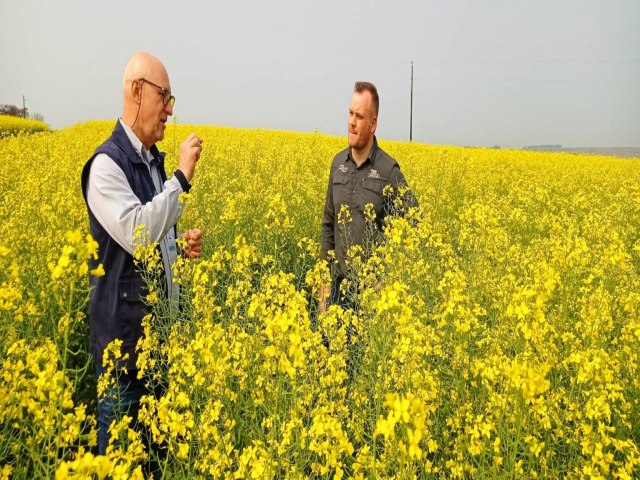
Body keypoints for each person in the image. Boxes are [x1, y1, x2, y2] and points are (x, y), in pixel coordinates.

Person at [80, 51, 203, 460]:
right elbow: (138, 234)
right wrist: (182, 177)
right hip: (124, 366)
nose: (170, 109)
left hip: (158, 356)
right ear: (137, 90)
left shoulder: (150, 163)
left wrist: (176, 246)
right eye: (164, 96)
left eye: (171, 99)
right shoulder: (105, 166)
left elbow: (152, 237)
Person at [319, 81, 417, 313]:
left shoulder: (388, 171)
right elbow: (328, 223)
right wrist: (323, 282)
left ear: (373, 124)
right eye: (350, 114)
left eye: (359, 116)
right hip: (337, 290)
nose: (351, 122)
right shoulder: (337, 164)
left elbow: (414, 225)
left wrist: (390, 278)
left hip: (372, 296)